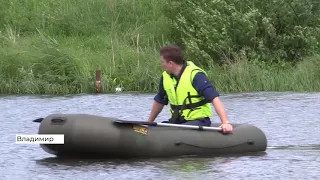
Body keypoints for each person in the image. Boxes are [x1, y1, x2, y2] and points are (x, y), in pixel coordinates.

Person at [147, 45, 233, 133]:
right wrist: (149, 123)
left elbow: (214, 98)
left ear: (171, 63)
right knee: (154, 129)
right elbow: (159, 101)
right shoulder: (166, 77)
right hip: (177, 121)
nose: (162, 65)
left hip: (199, 121)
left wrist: (225, 122)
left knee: (176, 131)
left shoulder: (195, 75)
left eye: (163, 62)